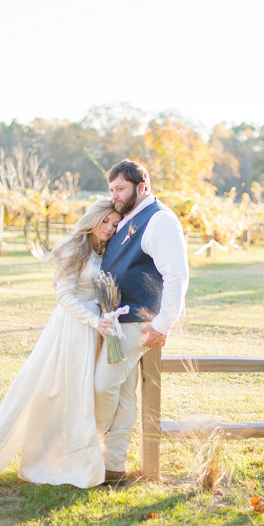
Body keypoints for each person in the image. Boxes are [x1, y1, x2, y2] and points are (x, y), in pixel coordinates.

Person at [0, 200, 121, 488]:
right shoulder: (73, 249)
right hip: (73, 328)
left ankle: (77, 457)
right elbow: (65, 296)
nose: (109, 228)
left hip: (96, 329)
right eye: (106, 221)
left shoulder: (103, 251)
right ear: (93, 219)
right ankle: (51, 461)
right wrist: (95, 321)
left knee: (84, 392)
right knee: (63, 391)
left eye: (115, 224)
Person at [94, 160, 188, 484]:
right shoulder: (127, 219)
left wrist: (164, 324)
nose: (114, 196)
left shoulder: (159, 220)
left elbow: (176, 274)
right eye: (111, 190)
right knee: (122, 395)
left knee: (103, 385)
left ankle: (89, 444)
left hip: (138, 325)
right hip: (117, 323)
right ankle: (113, 468)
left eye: (120, 188)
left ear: (142, 186)